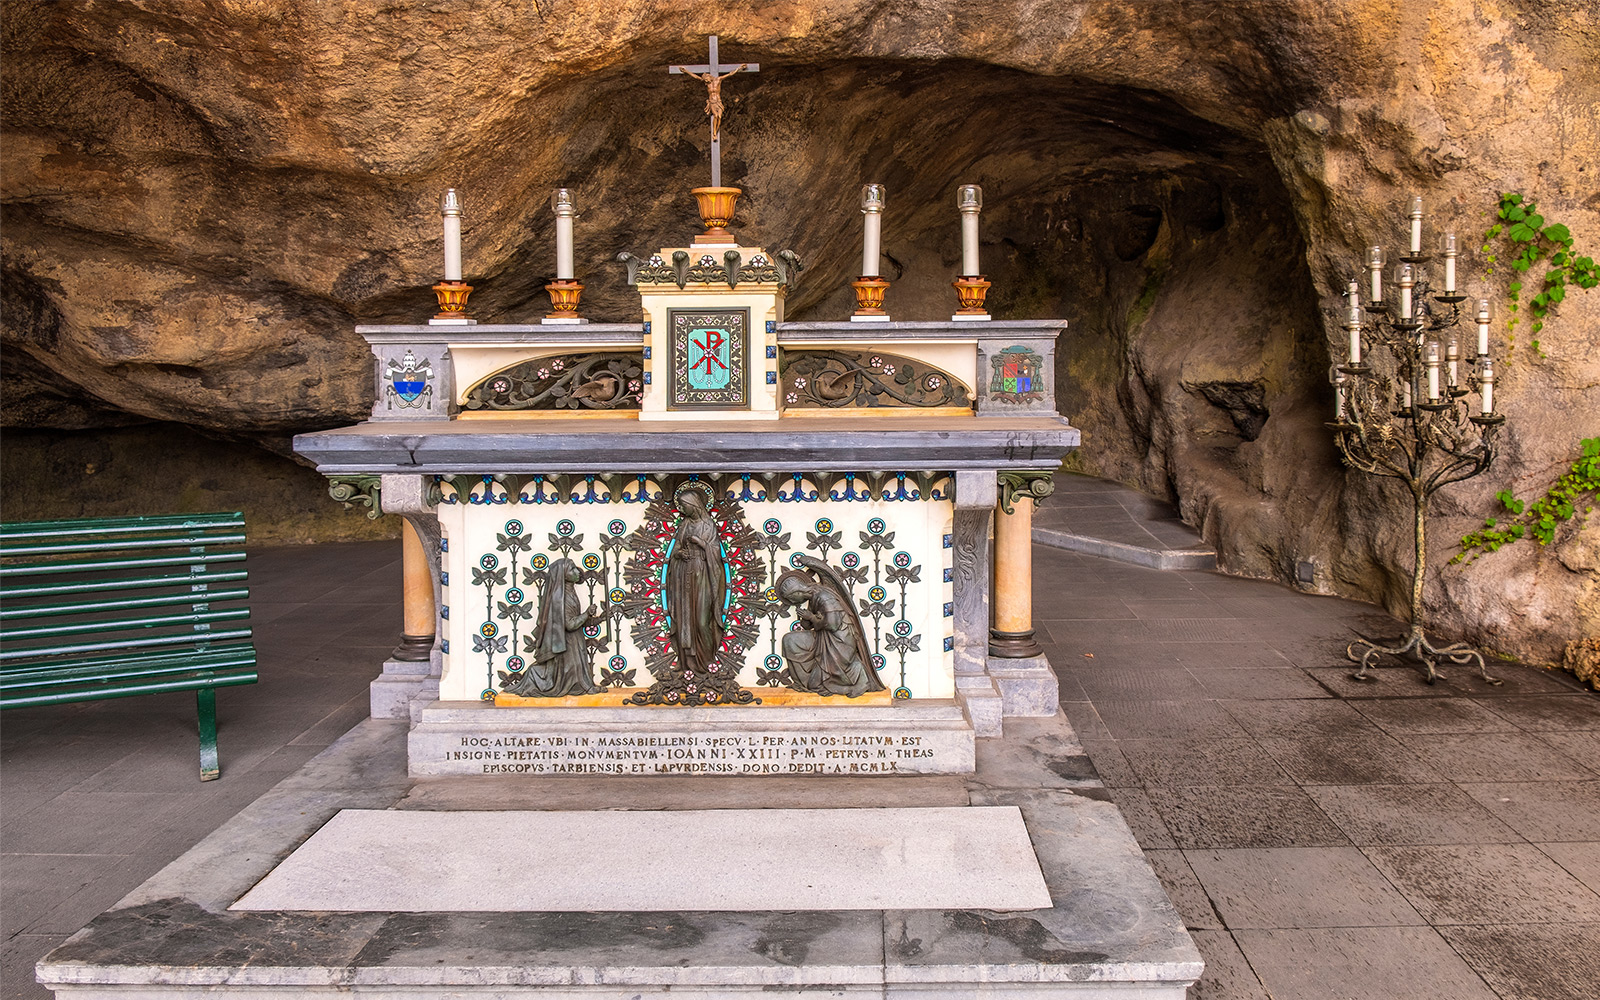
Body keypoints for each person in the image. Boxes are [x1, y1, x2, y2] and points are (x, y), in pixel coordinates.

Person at [776, 557, 882, 697]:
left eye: (790, 599)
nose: (790, 602)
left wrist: (811, 617)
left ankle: (852, 679)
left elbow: (832, 624)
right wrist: (806, 618)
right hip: (825, 639)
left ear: (796, 593)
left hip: (839, 643)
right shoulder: (814, 596)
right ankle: (802, 682)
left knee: (815, 682)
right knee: (790, 640)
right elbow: (810, 624)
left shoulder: (824, 596)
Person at [504, 558, 602, 697]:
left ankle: (585, 685)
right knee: (572, 667)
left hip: (574, 638)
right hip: (567, 640)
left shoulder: (569, 593)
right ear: (563, 575)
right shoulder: (561, 598)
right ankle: (581, 686)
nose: (577, 572)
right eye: (572, 569)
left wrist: (597, 619)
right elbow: (570, 624)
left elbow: (575, 620)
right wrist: (586, 614)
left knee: (577, 665)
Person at [664, 489, 726, 672]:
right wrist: (679, 554)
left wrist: (701, 543)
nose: (682, 510)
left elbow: (716, 553)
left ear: (693, 505)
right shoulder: (684, 525)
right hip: (684, 574)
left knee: (701, 620)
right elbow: (675, 548)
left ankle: (707, 660)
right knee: (685, 619)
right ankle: (685, 662)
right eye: (681, 507)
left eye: (684, 506)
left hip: (703, 575)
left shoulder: (708, 525)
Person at [675, 63, 747, 141]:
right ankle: (714, 134)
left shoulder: (718, 80)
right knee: (715, 115)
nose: (706, 82)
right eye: (705, 81)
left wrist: (739, 68)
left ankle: (716, 130)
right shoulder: (707, 83)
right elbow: (696, 77)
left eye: (707, 80)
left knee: (719, 117)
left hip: (718, 101)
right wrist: (686, 71)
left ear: (709, 77)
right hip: (712, 102)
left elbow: (730, 74)